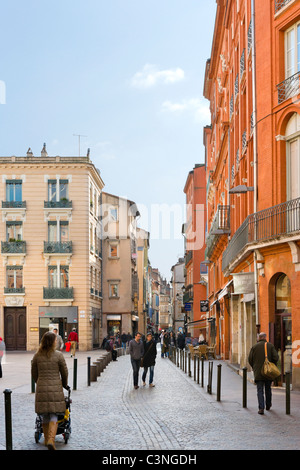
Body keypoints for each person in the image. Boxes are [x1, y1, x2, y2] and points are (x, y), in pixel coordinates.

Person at [31, 331, 69, 450]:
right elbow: (64, 372)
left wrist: (39, 382)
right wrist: (64, 384)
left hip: (42, 386)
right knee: (54, 414)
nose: (56, 341)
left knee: (45, 414)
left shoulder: (37, 355)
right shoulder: (58, 355)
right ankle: (51, 441)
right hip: (55, 387)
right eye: (55, 340)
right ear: (52, 342)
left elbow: (33, 372)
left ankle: (47, 439)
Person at [248, 332, 279, 415]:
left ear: (259, 338)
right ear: (265, 337)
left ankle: (261, 408)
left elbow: (250, 359)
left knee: (260, 390)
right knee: (268, 388)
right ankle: (268, 405)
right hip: (268, 372)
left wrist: (255, 367)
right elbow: (276, 357)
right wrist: (272, 365)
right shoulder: (270, 346)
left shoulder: (254, 347)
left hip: (258, 372)